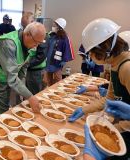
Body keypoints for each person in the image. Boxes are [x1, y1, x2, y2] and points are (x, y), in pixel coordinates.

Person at [68, 18, 130, 159]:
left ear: (103, 50)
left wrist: (117, 129)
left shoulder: (126, 68)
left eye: (90, 52)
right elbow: (109, 99)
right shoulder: (115, 64)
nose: (89, 56)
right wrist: (83, 110)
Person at [0, 22, 46, 117]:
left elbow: (24, 66)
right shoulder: (8, 44)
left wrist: (22, 89)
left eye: (40, 43)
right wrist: (30, 97)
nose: (36, 46)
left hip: (7, 76)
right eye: (36, 42)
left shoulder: (30, 44)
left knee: (3, 104)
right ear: (27, 35)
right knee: (2, 110)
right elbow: (12, 79)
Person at [20, 12, 47, 95]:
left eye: (27, 26)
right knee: (27, 92)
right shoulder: (23, 34)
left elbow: (40, 57)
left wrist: (25, 64)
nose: (25, 30)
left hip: (36, 70)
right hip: (27, 69)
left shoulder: (40, 34)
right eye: (23, 26)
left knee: (34, 94)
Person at [45, 18, 74, 86]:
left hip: (57, 62)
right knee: (48, 78)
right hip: (49, 60)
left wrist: (64, 60)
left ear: (59, 27)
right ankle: (49, 90)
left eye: (54, 25)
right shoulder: (51, 35)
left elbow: (67, 48)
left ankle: (57, 90)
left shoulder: (64, 37)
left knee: (57, 78)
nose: (53, 27)